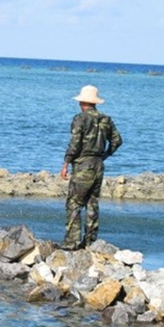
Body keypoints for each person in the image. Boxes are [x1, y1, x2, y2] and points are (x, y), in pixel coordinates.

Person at [60, 85, 123, 250]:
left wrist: (66, 163)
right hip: (98, 165)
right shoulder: (106, 119)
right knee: (92, 203)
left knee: (74, 203)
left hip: (83, 165)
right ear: (94, 103)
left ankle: (71, 243)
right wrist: (105, 155)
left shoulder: (80, 119)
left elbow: (75, 144)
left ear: (82, 102)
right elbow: (117, 141)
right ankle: (90, 242)